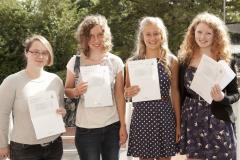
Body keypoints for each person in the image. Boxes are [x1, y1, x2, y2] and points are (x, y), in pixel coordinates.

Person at [64, 14, 127, 160]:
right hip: (86, 130)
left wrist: (122, 125)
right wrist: (75, 91)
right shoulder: (75, 61)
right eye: (91, 36)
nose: (96, 40)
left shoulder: (115, 61)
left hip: (112, 126)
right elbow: (67, 90)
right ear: (84, 38)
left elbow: (119, 95)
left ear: (106, 35)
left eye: (100, 34)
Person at [178, 12, 239, 160]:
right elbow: (181, 93)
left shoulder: (226, 60)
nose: (202, 37)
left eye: (208, 33)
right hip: (192, 118)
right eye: (199, 32)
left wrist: (222, 98)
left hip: (219, 118)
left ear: (216, 35)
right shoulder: (185, 59)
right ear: (193, 33)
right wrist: (178, 121)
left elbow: (235, 93)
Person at [0, 35, 66, 160]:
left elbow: (61, 108)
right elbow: (2, 114)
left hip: (54, 146)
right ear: (26, 53)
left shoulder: (55, 80)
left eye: (44, 52)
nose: (40, 56)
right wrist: (2, 144)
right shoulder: (11, 81)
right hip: (24, 150)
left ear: (49, 56)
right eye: (35, 52)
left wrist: (62, 111)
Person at [125, 16, 181, 160]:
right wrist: (128, 92)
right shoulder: (133, 62)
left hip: (165, 115)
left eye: (156, 33)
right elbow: (126, 92)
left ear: (162, 35)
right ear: (142, 37)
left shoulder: (172, 61)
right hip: (142, 116)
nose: (152, 38)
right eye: (148, 34)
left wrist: (178, 123)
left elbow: (175, 92)